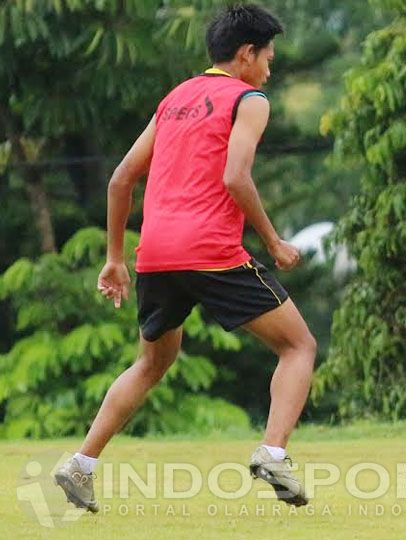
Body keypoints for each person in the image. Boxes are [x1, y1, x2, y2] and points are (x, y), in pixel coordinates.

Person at [54, 4, 316, 513]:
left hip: (154, 253)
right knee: (298, 347)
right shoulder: (249, 98)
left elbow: (119, 180)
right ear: (246, 54)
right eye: (268, 57)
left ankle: (80, 465)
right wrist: (274, 243)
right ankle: (273, 452)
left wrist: (114, 259)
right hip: (211, 251)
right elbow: (236, 177)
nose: (270, 68)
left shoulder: (173, 100)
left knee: (151, 362)